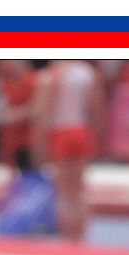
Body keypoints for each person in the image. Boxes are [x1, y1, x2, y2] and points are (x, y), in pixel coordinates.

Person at [33, 59, 104, 240]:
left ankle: (68, 236)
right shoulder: (87, 73)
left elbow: (43, 113)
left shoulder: (49, 76)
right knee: (79, 189)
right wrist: (96, 137)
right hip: (81, 130)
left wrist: (38, 143)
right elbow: (95, 109)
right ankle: (81, 236)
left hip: (60, 132)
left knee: (64, 191)